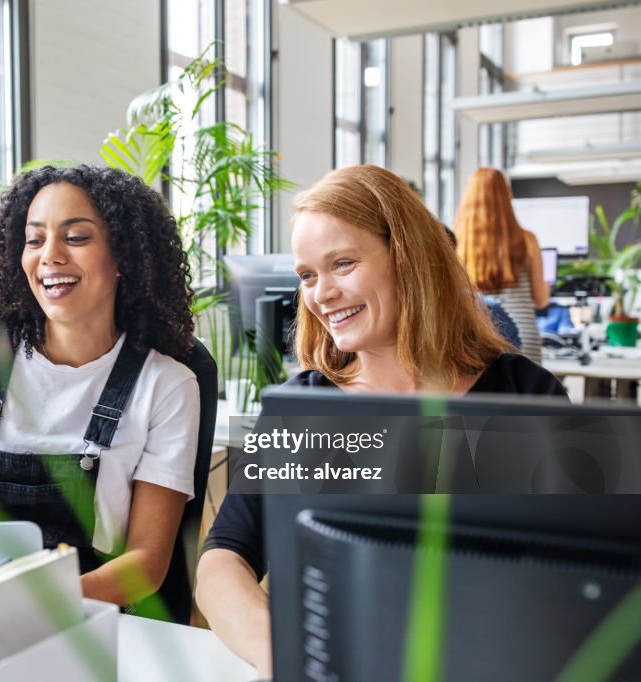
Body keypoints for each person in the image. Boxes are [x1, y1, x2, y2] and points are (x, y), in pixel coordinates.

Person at [194, 165, 567, 677]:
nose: (320, 294)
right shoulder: (301, 410)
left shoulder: (529, 396)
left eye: (342, 263)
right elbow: (221, 563)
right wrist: (280, 653)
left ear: (409, 259)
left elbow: (583, 576)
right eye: (307, 276)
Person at [0, 166, 200, 608]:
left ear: (124, 257)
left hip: (87, 616)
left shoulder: (167, 385)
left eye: (76, 238)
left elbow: (146, 561)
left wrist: (25, 605)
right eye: (35, 239)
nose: (50, 256)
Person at [453, 167, 550, 363]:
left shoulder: (457, 245)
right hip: (525, 337)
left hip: (481, 338)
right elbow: (541, 299)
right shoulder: (528, 240)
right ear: (506, 196)